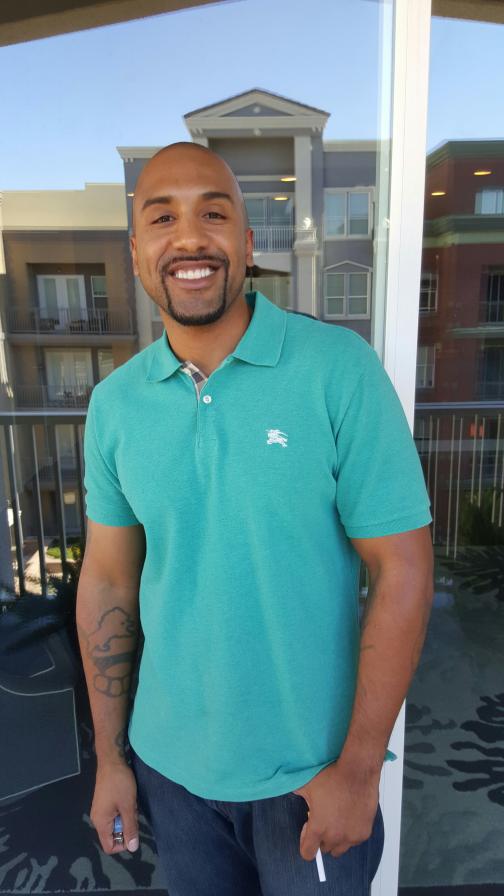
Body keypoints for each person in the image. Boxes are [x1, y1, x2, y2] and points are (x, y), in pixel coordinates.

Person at [77, 141, 434, 896]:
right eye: (162, 218)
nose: (189, 237)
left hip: (313, 775)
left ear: (245, 243)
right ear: (137, 252)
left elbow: (401, 568)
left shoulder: (337, 369)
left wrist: (359, 770)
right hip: (171, 771)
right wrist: (112, 760)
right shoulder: (115, 405)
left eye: (213, 214)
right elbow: (108, 579)